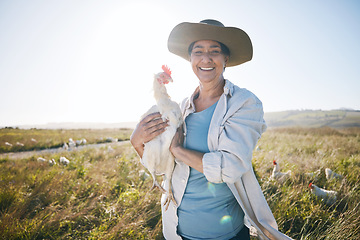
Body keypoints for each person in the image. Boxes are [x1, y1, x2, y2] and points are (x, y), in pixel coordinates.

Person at [130, 19, 292, 240]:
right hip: (177, 231)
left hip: (226, 234)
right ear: (190, 59)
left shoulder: (243, 103)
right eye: (198, 51)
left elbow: (231, 168)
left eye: (214, 51)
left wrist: (178, 151)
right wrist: (138, 143)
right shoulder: (182, 108)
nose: (206, 58)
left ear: (226, 59)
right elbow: (164, 167)